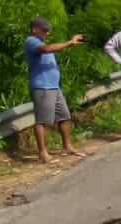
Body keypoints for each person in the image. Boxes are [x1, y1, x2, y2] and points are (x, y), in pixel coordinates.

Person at [24, 17, 87, 163]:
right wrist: (69, 42)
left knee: (64, 116)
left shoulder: (41, 42)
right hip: (43, 87)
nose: (47, 33)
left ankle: (67, 146)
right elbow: (46, 49)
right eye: (44, 30)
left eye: (48, 31)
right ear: (35, 29)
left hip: (54, 87)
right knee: (42, 121)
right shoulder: (31, 41)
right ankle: (43, 153)